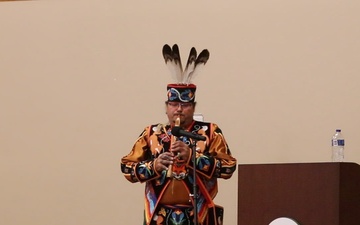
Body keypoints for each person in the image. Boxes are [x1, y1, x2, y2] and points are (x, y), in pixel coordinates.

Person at [120, 44, 237, 225]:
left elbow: (229, 167)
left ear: (194, 107)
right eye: (174, 104)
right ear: (166, 108)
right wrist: (154, 166)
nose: (179, 109)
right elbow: (127, 168)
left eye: (185, 105)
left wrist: (193, 157)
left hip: (199, 215)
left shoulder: (210, 132)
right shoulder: (152, 133)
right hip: (159, 215)